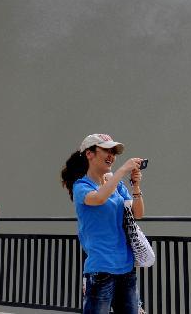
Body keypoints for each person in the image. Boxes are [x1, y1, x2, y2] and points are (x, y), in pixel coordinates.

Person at [61, 133, 146, 314]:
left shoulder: (117, 185)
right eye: (106, 150)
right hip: (100, 269)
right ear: (89, 154)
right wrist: (122, 170)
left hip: (126, 267)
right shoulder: (81, 186)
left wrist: (136, 187)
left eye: (114, 152)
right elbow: (98, 198)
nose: (111, 156)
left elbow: (137, 214)